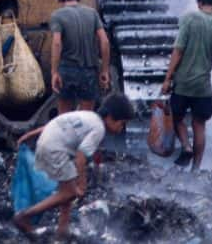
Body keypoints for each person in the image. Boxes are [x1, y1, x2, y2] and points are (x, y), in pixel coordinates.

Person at [12, 94, 135, 239]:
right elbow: (80, 158)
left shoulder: (89, 116)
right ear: (110, 117)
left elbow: (59, 122)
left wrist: (31, 134)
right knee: (70, 192)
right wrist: (82, 185)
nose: (121, 129)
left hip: (48, 141)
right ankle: (24, 216)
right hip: (56, 149)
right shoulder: (99, 129)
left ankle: (62, 229)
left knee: (67, 188)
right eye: (121, 124)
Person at [161, 0, 212, 171]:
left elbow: (178, 50)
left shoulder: (188, 19)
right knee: (199, 124)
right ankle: (196, 169)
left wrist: (168, 78)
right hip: (203, 87)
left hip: (182, 84)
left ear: (199, 3)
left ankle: (185, 145)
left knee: (177, 119)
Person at [50, 0, 111, 114]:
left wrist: (54, 72)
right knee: (87, 115)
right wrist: (105, 70)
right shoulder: (92, 13)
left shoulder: (57, 16)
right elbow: (105, 42)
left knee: (64, 117)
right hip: (89, 71)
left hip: (67, 71)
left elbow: (57, 43)